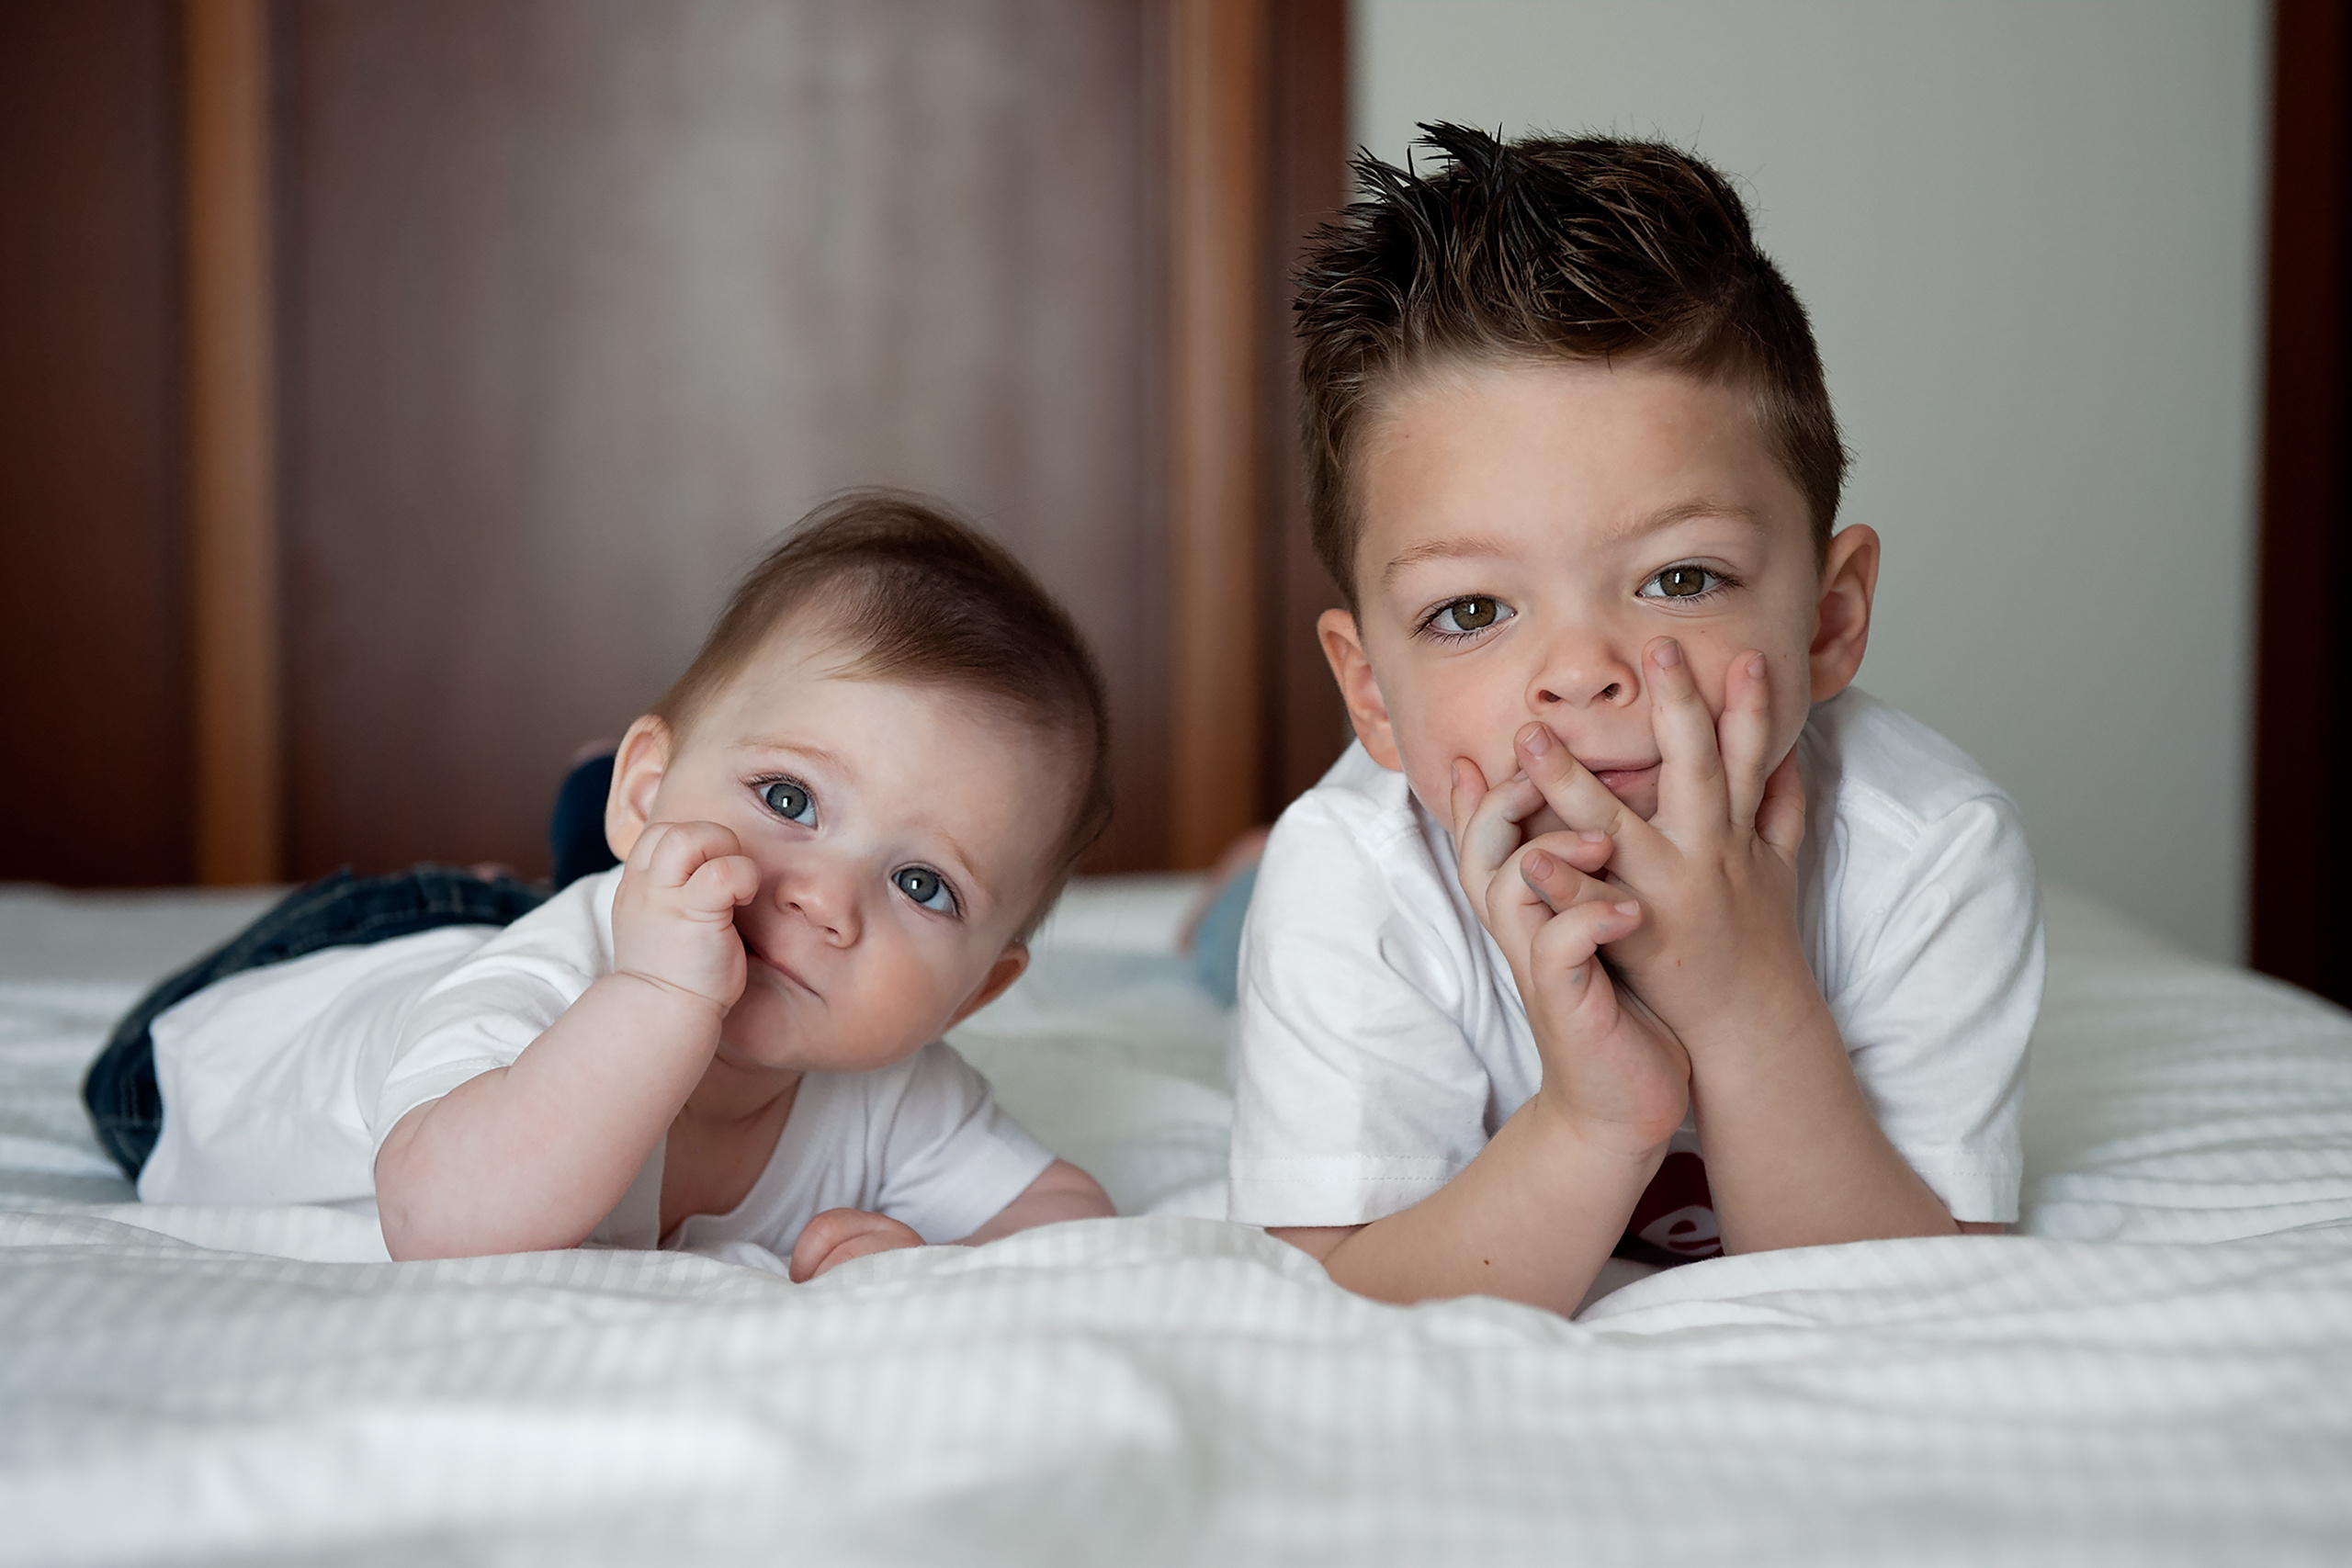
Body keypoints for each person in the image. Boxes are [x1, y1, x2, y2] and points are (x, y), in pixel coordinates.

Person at [1227, 127, 2043, 1314]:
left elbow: (1916, 1295)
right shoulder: (1358, 876)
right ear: (1371, 695)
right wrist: (1596, 1116)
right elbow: (1329, 1293)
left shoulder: (1935, 850)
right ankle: (1228, 898)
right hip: (1301, 883)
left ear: (1827, 620)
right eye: (1469, 608)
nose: (1580, 674)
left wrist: (1743, 993)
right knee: (1241, 927)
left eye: (1680, 578)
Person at [85, 491, 1117, 1278]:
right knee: (561, 917)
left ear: (977, 991)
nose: (822, 899)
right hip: (291, 999)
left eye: (921, 884)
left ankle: (621, 836)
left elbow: (1066, 1218)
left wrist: (932, 1264)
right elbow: (450, 1231)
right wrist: (656, 998)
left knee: (671, 887)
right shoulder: (540, 990)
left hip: (642, 904)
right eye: (791, 799)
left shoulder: (895, 1090)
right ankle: (590, 848)